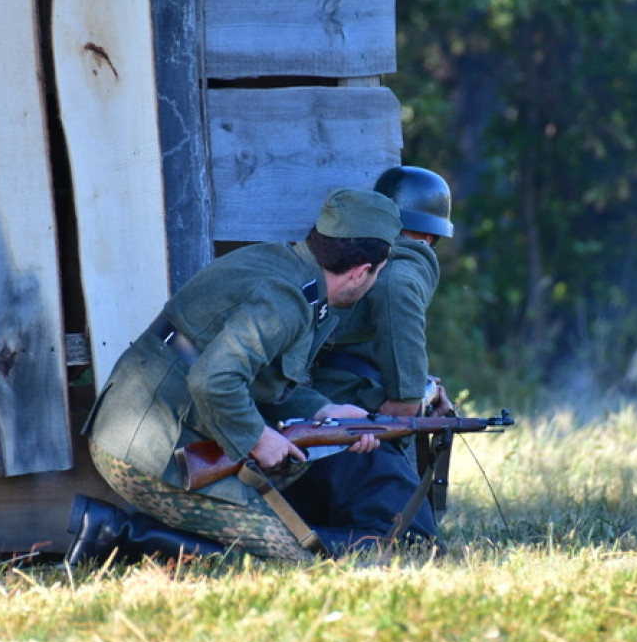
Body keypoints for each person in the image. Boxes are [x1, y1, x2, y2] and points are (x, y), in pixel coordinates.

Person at [65, 188, 401, 564]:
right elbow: (213, 380)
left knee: (286, 541)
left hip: (148, 432)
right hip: (145, 450)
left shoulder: (284, 268)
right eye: (378, 273)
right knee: (294, 560)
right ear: (360, 272)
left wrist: (325, 411)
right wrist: (258, 437)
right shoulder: (286, 301)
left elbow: (261, 380)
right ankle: (115, 534)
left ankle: (117, 531)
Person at [271, 166, 456, 552]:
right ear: (428, 236)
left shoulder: (353, 251)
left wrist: (423, 387)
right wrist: (408, 399)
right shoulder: (403, 267)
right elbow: (396, 290)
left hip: (309, 408)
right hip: (346, 422)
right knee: (413, 540)